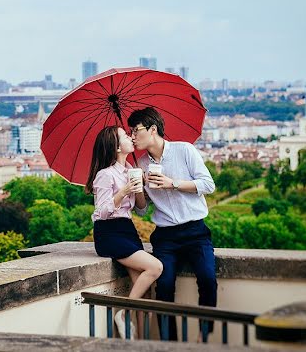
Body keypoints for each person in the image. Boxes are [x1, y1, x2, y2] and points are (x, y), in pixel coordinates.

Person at [128, 106, 217, 341]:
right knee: (164, 286)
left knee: (208, 278)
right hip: (165, 235)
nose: (132, 136)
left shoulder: (184, 150)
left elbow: (208, 185)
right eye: (130, 132)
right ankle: (170, 342)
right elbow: (143, 208)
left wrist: (172, 183)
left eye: (136, 131)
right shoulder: (140, 164)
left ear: (153, 129)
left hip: (195, 230)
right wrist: (138, 189)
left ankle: (203, 337)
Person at [87, 125, 163, 339]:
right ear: (116, 146)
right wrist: (123, 191)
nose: (131, 137)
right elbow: (102, 212)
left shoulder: (130, 169)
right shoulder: (105, 175)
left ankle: (140, 341)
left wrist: (141, 188)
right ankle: (124, 311)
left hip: (127, 229)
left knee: (146, 292)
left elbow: (140, 207)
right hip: (109, 232)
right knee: (155, 267)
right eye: (125, 136)